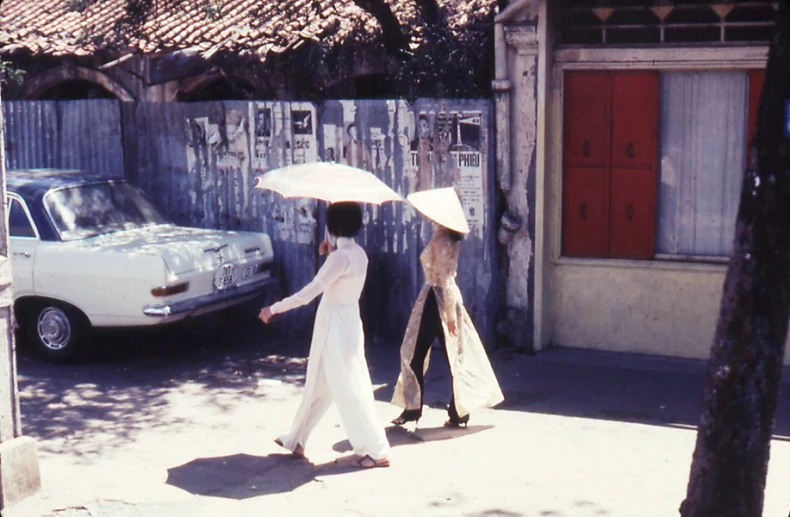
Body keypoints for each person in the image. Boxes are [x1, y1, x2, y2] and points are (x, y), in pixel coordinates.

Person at [259, 202, 391, 468]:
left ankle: (376, 449)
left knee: (348, 387)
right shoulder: (357, 254)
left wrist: (273, 309)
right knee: (322, 381)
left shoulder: (339, 258)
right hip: (348, 322)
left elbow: (309, 293)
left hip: (334, 326)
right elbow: (340, 275)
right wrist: (331, 252)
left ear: (332, 227)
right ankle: (297, 438)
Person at [391, 188, 504, 427]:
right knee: (454, 355)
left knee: (414, 353)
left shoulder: (441, 240)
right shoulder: (447, 238)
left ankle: (415, 408)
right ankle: (457, 410)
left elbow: (444, 279)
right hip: (440, 297)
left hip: (438, 298)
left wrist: (450, 315)